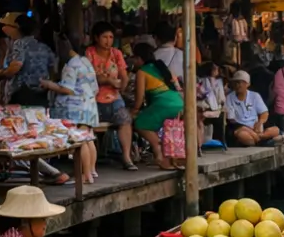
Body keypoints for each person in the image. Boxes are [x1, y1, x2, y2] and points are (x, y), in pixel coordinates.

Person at [86, 23, 135, 170]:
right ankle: (90, 162)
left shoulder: (116, 54)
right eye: (104, 37)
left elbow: (124, 76)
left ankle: (126, 157)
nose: (108, 40)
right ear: (96, 38)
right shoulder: (90, 53)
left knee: (125, 120)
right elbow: (89, 76)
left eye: (111, 37)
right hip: (94, 98)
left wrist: (121, 87)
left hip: (114, 97)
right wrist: (107, 80)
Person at [49, 41, 99, 185]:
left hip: (76, 107)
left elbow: (67, 89)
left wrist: (49, 84)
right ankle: (91, 171)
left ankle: (85, 174)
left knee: (80, 141)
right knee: (88, 138)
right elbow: (95, 87)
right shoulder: (86, 62)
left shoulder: (72, 64)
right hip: (89, 104)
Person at [132, 43, 184, 169]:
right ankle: (171, 158)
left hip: (163, 104)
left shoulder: (142, 72)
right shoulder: (162, 67)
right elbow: (178, 87)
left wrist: (134, 111)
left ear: (139, 58)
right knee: (168, 129)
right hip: (178, 102)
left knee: (140, 123)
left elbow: (139, 100)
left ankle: (159, 152)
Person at [0, 13, 56, 107]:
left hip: (22, 93)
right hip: (42, 92)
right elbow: (52, 68)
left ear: (17, 28)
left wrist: (0, 74)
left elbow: (16, 66)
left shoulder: (20, 44)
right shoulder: (44, 46)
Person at [224, 69, 278, 148]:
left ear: (247, 84)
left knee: (276, 130)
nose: (238, 85)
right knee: (243, 136)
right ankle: (262, 141)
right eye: (236, 82)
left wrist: (260, 122)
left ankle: (258, 139)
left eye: (241, 82)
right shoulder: (229, 98)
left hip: (255, 128)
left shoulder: (255, 96)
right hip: (240, 128)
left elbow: (264, 113)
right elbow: (231, 120)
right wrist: (247, 129)